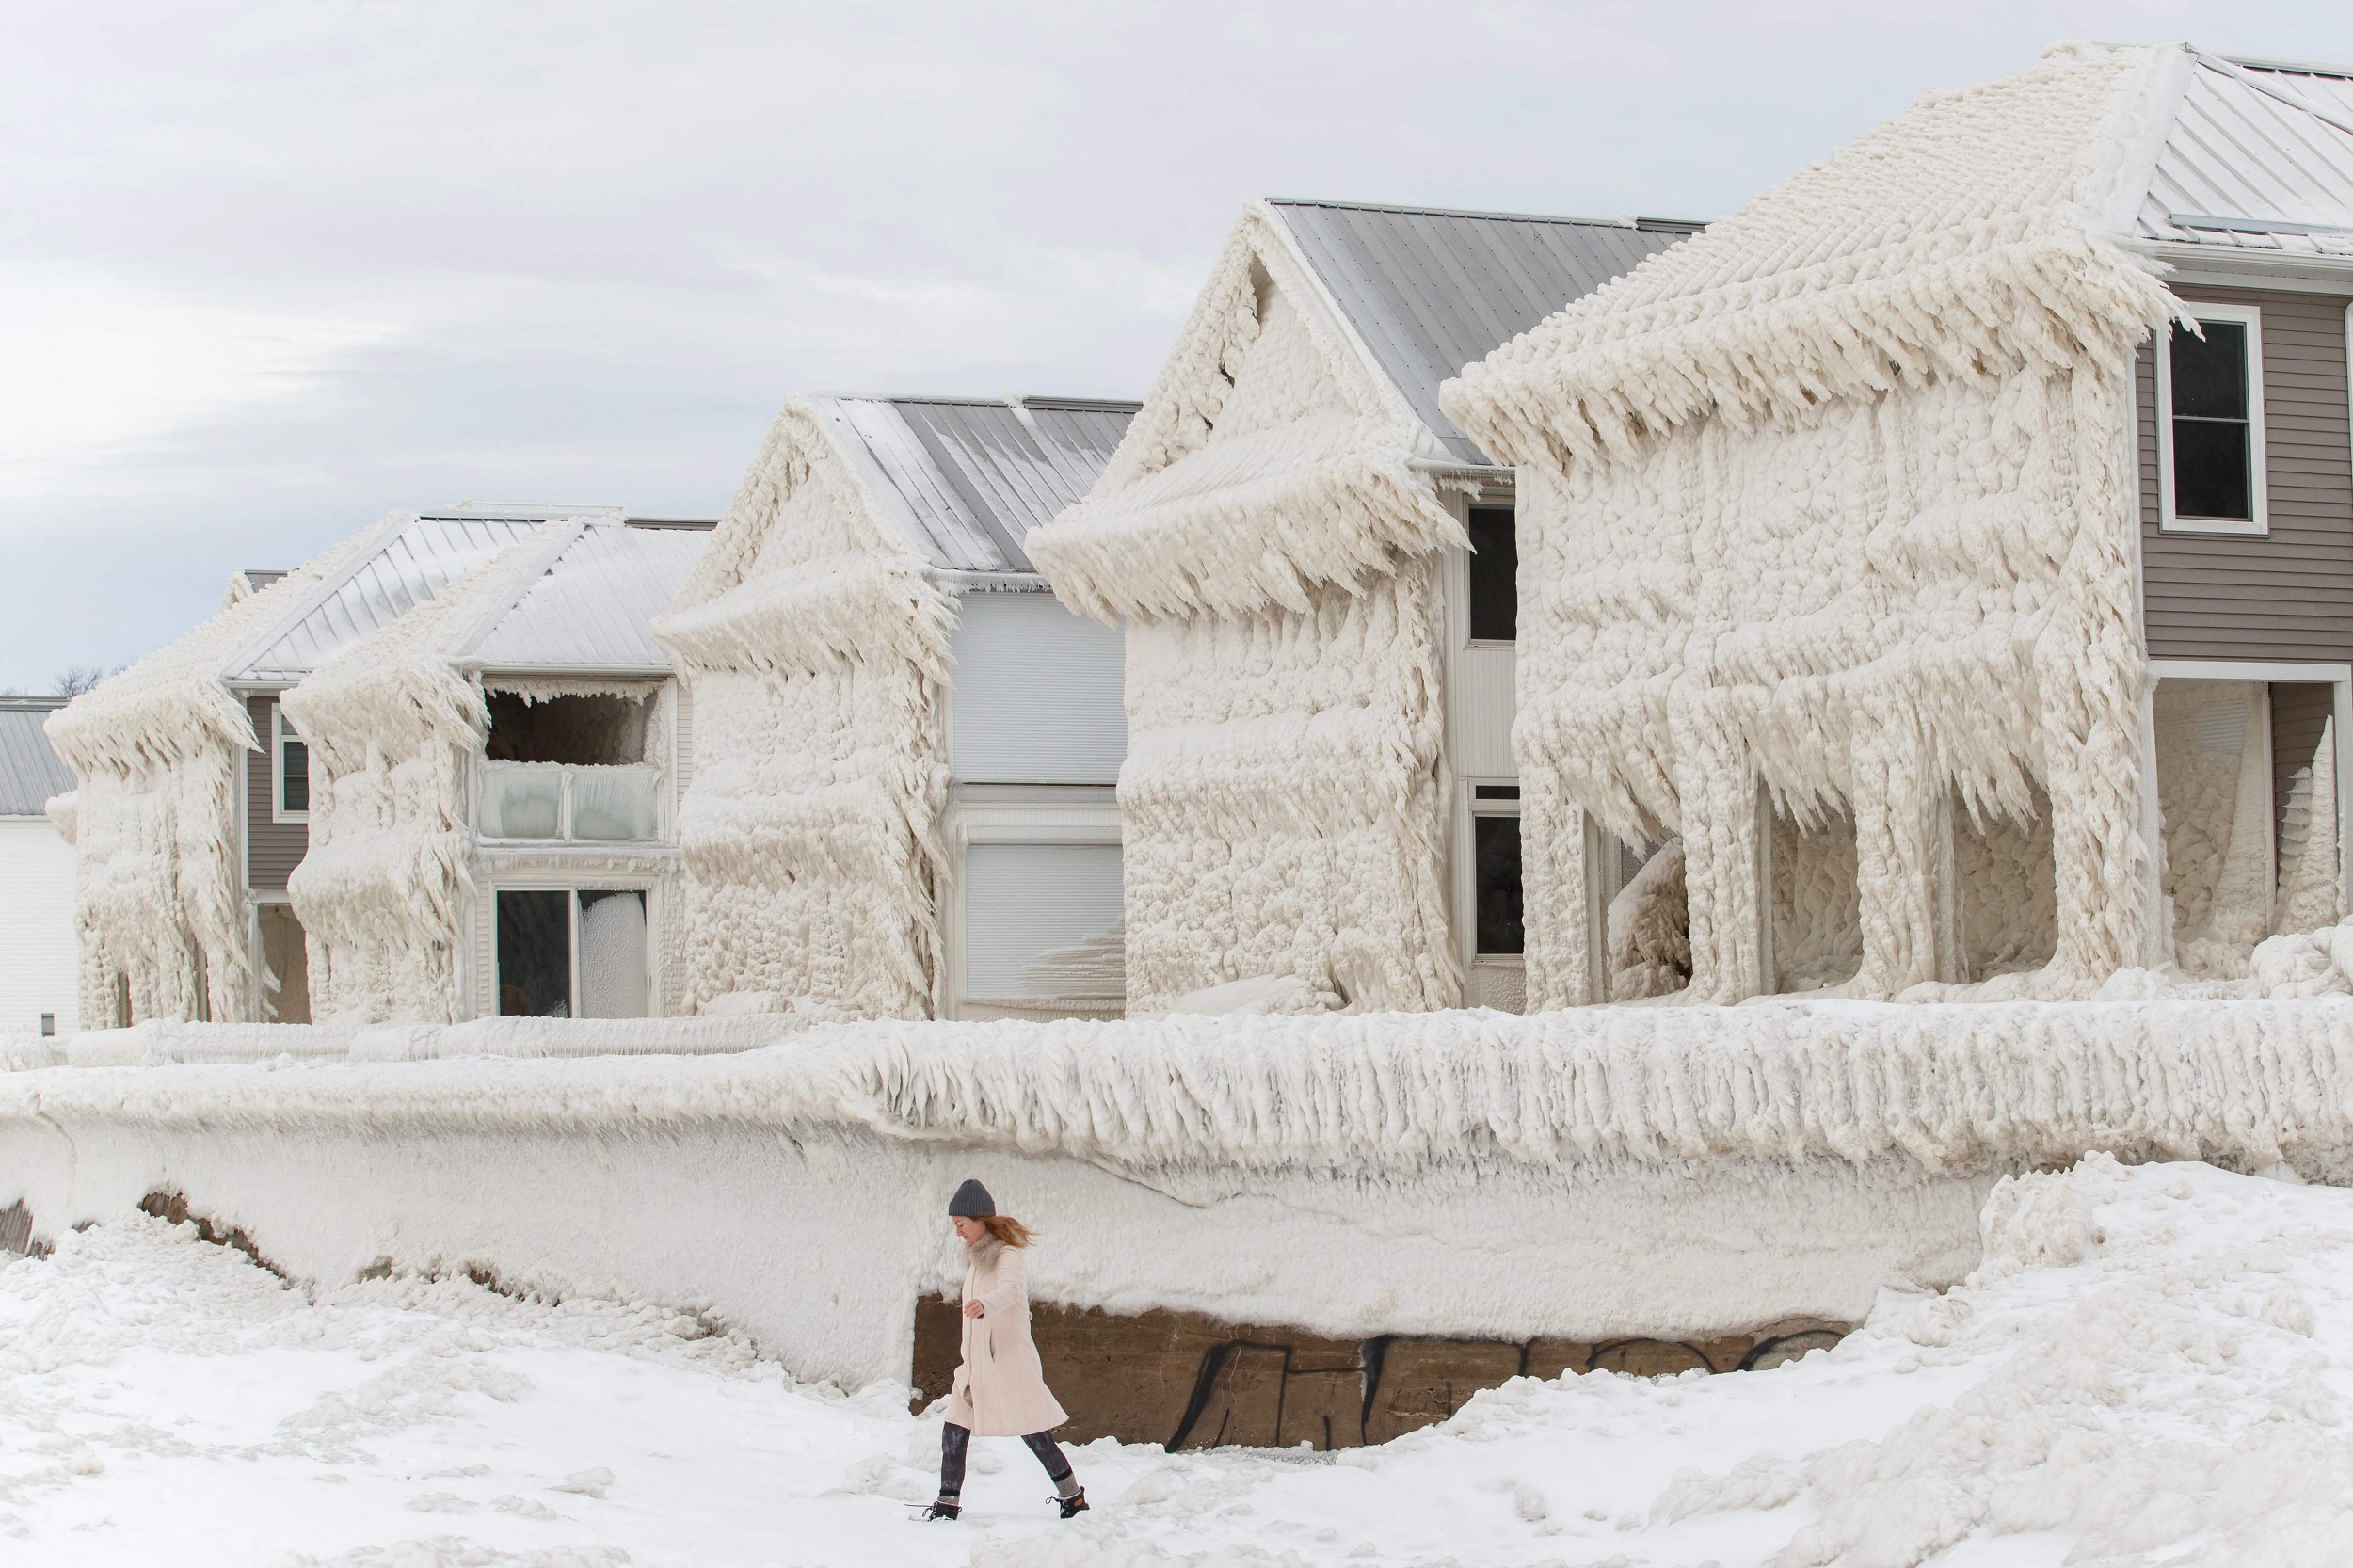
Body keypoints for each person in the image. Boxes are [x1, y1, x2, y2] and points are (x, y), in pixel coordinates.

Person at [918, 1178, 1087, 1522]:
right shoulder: (975, 1261)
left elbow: (1011, 1290)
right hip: (975, 1366)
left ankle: (1074, 1498)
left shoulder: (1007, 1255)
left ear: (979, 1220)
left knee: (1035, 1434)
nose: (958, 1233)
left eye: (961, 1225)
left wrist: (986, 1304)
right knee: (953, 1429)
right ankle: (947, 1504)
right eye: (955, 1226)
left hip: (1008, 1364)